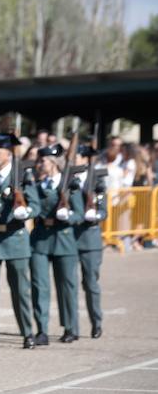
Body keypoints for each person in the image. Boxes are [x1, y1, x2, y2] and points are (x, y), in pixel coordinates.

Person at [0, 133, 39, 351]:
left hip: (15, 237)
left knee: (20, 290)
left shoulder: (22, 175)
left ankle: (27, 332)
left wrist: (25, 211)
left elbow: (36, 205)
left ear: (8, 153)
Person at [29, 145, 82, 344]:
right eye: (39, 161)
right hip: (40, 238)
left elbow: (79, 213)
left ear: (52, 163)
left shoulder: (69, 184)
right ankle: (41, 329)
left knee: (67, 285)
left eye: (42, 161)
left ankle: (70, 327)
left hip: (64, 238)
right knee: (39, 285)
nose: (39, 164)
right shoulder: (34, 184)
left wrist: (68, 216)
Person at [74, 143, 107, 337]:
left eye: (77, 157)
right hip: (70, 238)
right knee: (69, 285)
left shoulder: (97, 180)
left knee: (90, 283)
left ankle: (96, 322)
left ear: (86, 159)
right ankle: (72, 327)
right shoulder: (67, 179)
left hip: (89, 238)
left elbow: (104, 211)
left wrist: (94, 214)